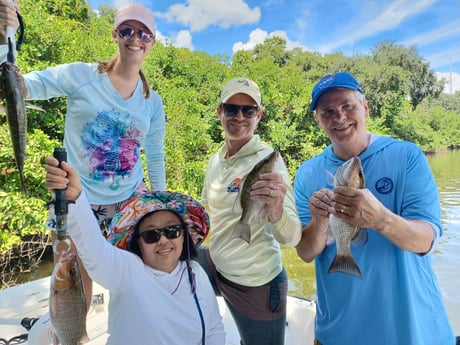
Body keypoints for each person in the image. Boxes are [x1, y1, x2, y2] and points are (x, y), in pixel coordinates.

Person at [0, 2, 166, 309]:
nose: (135, 38)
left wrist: (162, 200)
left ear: (152, 41)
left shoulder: (152, 102)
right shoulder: (79, 75)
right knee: (74, 278)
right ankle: (73, 338)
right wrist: (2, 41)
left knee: (133, 276)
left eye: (144, 33)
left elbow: (154, 154)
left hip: (129, 198)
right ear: (116, 34)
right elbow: (18, 88)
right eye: (128, 30)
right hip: (77, 198)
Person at [294, 72, 455, 345]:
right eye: (328, 111)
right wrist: (319, 221)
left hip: (412, 332)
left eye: (348, 106)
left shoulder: (407, 156)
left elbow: (427, 239)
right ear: (317, 120)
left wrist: (380, 219)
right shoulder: (307, 173)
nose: (339, 117)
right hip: (337, 332)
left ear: (365, 108)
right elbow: (306, 252)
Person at [44, 156, 225, 344]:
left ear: (183, 236)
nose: (163, 240)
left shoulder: (195, 272)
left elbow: (214, 328)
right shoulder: (128, 270)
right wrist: (76, 198)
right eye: (151, 235)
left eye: (172, 231)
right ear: (137, 243)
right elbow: (94, 250)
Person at [197, 77, 302, 345]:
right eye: (232, 108)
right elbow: (207, 211)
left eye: (249, 110)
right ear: (220, 111)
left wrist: (276, 209)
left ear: (259, 116)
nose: (239, 116)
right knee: (164, 257)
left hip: (256, 284)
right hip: (217, 268)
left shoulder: (268, 163)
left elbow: (292, 238)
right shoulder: (216, 160)